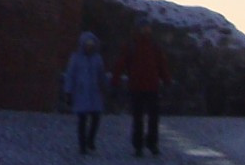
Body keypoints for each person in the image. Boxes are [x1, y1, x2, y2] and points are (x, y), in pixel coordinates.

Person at [119, 21, 172, 157]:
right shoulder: (134, 46)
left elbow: (162, 64)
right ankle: (141, 145)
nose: (145, 30)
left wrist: (166, 80)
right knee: (140, 118)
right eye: (143, 28)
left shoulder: (152, 46)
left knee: (151, 118)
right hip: (139, 86)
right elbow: (121, 63)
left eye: (147, 28)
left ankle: (149, 144)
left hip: (149, 86)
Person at [62, 31, 108, 155]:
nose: (89, 46)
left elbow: (101, 75)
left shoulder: (97, 58)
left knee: (96, 118)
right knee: (82, 121)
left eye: (91, 44)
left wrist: (104, 87)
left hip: (94, 93)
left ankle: (90, 140)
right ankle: (82, 145)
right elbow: (70, 75)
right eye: (87, 43)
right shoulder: (76, 58)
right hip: (81, 93)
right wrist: (68, 91)